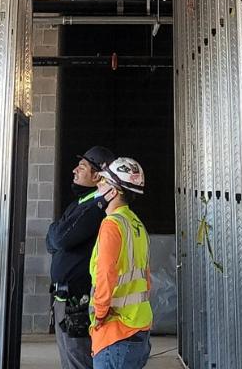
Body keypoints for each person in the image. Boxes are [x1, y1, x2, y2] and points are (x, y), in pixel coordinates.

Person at [47, 146, 115, 369]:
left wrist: (57, 234)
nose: (75, 170)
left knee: (79, 360)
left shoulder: (96, 207)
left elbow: (60, 239)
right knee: (69, 360)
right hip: (63, 299)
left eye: (82, 167)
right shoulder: (81, 203)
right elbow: (52, 240)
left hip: (78, 302)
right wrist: (57, 234)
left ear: (97, 176)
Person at [89, 158, 152, 369]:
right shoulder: (136, 224)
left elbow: (105, 272)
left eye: (104, 181)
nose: (98, 184)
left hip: (116, 331)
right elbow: (146, 279)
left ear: (114, 192)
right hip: (139, 326)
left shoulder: (111, 225)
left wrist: (99, 313)